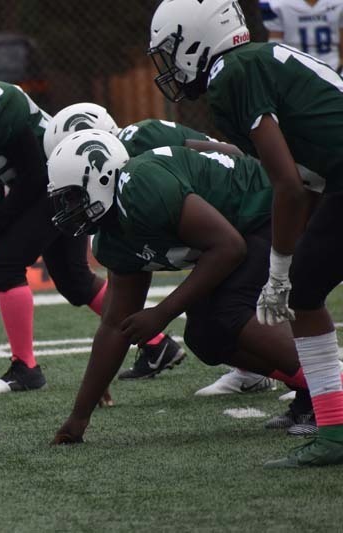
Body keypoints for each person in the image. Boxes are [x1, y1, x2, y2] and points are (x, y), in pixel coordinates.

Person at [0, 33, 183, 394]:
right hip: (44, 187)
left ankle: (25, 369)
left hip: (63, 182)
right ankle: (158, 344)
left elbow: (35, 174)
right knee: (74, 281)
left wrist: (3, 215)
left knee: (5, 266)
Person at [148, 0, 343, 467]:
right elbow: (306, 182)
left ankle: (335, 432)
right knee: (307, 287)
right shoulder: (249, 63)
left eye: (172, 50)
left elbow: (289, 187)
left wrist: (278, 269)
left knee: (303, 289)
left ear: (196, 38)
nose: (171, 65)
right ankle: (334, 428)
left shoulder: (231, 73)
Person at [48, 130, 326, 448]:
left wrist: (162, 313)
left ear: (101, 176)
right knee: (205, 337)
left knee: (230, 310)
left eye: (72, 197)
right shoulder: (113, 238)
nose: (68, 209)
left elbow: (228, 248)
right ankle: (313, 391)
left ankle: (333, 388)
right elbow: (114, 325)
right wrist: (79, 416)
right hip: (244, 227)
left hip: (269, 206)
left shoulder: (141, 187)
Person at [44, 102, 277, 394]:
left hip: (255, 208)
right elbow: (117, 315)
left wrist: (163, 312)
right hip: (227, 231)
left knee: (232, 308)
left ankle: (319, 378)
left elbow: (222, 155)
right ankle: (261, 371)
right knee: (204, 330)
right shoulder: (119, 205)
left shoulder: (143, 148)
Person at [260, 0, 343, 72]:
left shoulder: (338, 3)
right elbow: (275, 42)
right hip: (294, 66)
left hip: (332, 66)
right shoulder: (279, 4)